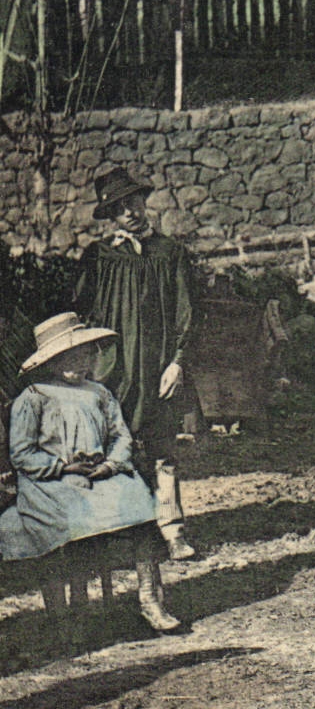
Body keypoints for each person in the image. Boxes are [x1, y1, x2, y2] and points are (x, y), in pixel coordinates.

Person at [0, 313, 181, 632]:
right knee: (65, 520)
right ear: (51, 361)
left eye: (84, 355)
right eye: (69, 356)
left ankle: (151, 600)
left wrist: (110, 464)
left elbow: (121, 435)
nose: (78, 363)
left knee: (138, 501)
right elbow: (22, 454)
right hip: (52, 481)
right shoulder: (33, 398)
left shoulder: (99, 394)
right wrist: (63, 467)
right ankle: (68, 618)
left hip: (100, 475)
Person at [75, 166, 199, 560]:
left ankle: (172, 530)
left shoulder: (170, 253)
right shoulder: (99, 258)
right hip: (114, 370)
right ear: (110, 215)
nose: (129, 212)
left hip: (157, 367)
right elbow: (79, 312)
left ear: (144, 203)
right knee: (114, 449)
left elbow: (188, 313)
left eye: (133, 202)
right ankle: (121, 534)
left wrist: (177, 362)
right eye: (118, 207)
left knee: (163, 450)